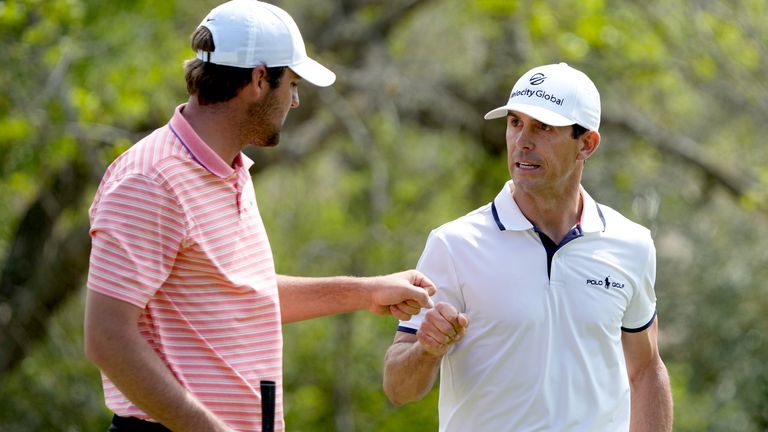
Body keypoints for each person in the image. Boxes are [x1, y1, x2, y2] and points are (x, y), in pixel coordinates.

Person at [83, 1, 436, 431]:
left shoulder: (229, 169)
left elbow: (241, 295)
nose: (296, 100)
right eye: (291, 83)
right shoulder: (150, 179)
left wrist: (365, 292)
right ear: (257, 79)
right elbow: (107, 338)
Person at [383, 63, 673, 431]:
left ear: (586, 144)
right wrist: (426, 350)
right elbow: (398, 389)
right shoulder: (453, 244)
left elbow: (646, 369)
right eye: (515, 123)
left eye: (544, 127)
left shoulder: (631, 244)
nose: (522, 141)